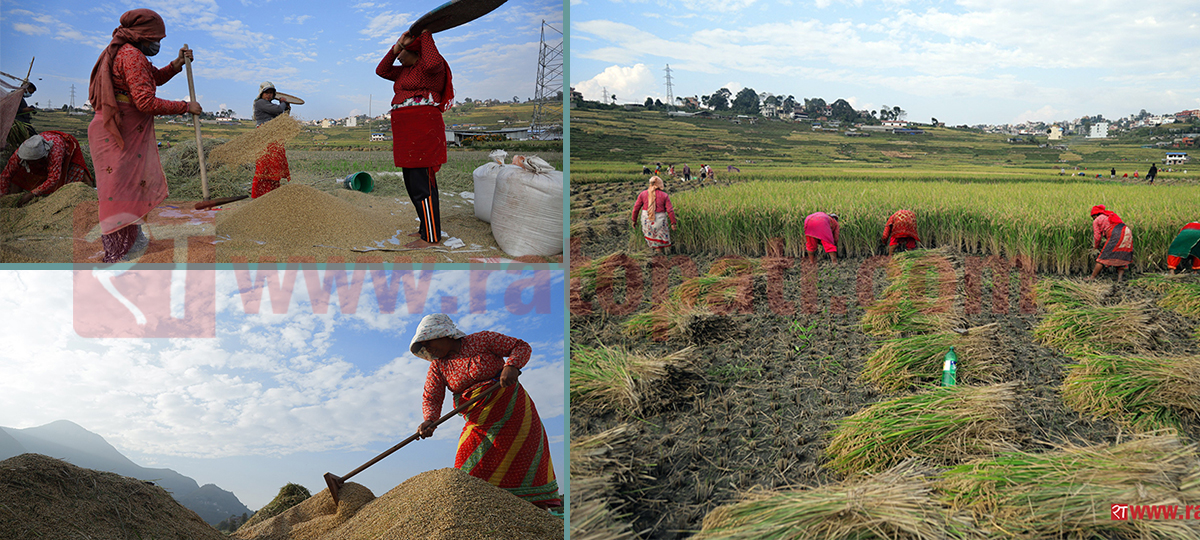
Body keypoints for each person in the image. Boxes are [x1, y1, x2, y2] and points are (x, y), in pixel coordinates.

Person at [410, 314, 562, 510]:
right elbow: (431, 396)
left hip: (515, 417)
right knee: (467, 474)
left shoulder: (482, 340)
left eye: (428, 342)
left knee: (524, 465)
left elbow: (521, 347)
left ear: (444, 334)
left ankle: (535, 517)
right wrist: (429, 420)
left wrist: (512, 366)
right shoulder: (438, 366)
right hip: (479, 424)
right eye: (424, 346)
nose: (428, 349)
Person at [87, 8, 200, 263]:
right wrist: (185, 106)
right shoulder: (131, 55)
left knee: (127, 188)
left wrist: (176, 64)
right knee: (118, 191)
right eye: (156, 39)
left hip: (116, 128)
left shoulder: (127, 52)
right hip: (118, 130)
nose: (158, 44)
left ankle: (133, 242)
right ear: (141, 35)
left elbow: (153, 78)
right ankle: (118, 252)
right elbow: (145, 101)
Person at [377, 29, 453, 248]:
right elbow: (381, 70)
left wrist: (425, 33)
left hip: (422, 130)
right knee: (411, 182)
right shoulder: (404, 72)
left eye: (404, 51)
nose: (399, 56)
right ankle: (425, 228)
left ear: (417, 51)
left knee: (423, 183)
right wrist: (397, 46)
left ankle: (431, 237)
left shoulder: (430, 68)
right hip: (405, 132)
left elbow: (431, 61)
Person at [0, 132, 94, 206]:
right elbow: (5, 175)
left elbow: (54, 178)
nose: (31, 164)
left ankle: (91, 197)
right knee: (19, 174)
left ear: (41, 158)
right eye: (29, 162)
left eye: (33, 162)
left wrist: (32, 194)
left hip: (65, 146)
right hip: (45, 143)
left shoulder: (55, 152)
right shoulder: (20, 154)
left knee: (76, 172)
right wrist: (4, 197)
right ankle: (15, 204)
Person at [251, 82, 292, 198]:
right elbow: (279, 110)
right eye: (266, 93)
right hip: (264, 136)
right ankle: (259, 195)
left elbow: (282, 117)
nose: (268, 95)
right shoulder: (260, 103)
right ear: (261, 94)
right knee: (264, 165)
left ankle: (272, 195)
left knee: (275, 165)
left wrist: (287, 109)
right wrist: (283, 103)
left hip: (273, 136)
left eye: (271, 93)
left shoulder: (271, 106)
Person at [631, 175, 677, 254]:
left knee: (652, 239)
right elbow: (670, 210)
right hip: (659, 220)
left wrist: (634, 220)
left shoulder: (643, 194)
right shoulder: (664, 195)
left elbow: (636, 208)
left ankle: (656, 254)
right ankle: (661, 255)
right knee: (660, 239)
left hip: (646, 219)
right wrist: (673, 223)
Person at [1088, 205, 1133, 282]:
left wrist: (1096, 247)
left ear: (1095, 215)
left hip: (1116, 234)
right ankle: (1120, 279)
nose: (1093, 219)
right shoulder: (1109, 215)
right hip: (1127, 232)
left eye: (1093, 217)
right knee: (1121, 255)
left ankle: (1092, 278)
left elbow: (1097, 237)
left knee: (1102, 257)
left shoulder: (1097, 220)